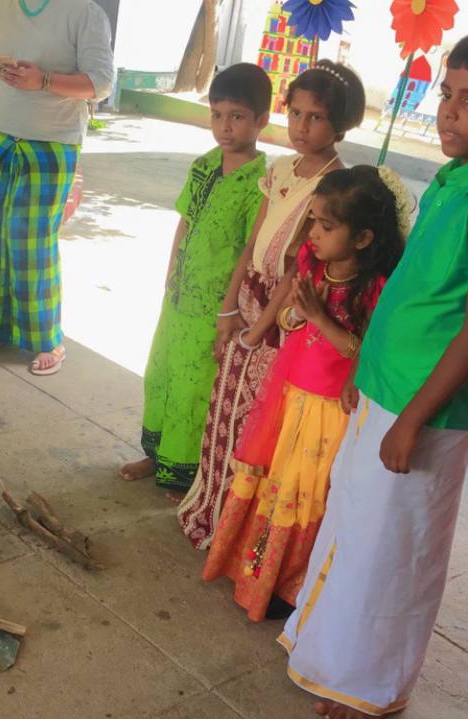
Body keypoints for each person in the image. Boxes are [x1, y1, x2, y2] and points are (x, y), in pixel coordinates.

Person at [280, 31, 468, 718]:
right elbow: (413, 294)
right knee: (356, 530)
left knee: (394, 553)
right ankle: (338, 663)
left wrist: (409, 419)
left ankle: (372, 689)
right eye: (447, 95)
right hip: (387, 387)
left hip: (425, 410)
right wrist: (368, 374)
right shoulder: (461, 178)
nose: (449, 113)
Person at [202, 166, 407, 622]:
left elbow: (362, 352)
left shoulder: (373, 288)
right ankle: (255, 571)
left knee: (304, 492)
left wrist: (319, 319)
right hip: (290, 396)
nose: (312, 233)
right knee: (276, 482)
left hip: (327, 411)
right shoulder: (315, 266)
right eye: (312, 220)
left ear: (363, 238)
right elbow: (290, 323)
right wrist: (297, 314)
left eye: (326, 226)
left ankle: (288, 583)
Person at [177, 59, 364, 548]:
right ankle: (210, 508)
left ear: (340, 125)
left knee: (255, 423)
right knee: (223, 408)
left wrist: (258, 329)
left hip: (280, 315)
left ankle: (235, 533)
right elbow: (254, 241)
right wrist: (229, 308)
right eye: (296, 113)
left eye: (316, 117)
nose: (302, 127)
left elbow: (298, 265)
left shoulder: (333, 183)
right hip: (246, 300)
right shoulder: (280, 169)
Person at [117, 63, 271, 492]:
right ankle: (157, 456)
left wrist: (228, 306)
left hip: (213, 307)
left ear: (261, 120)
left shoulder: (260, 182)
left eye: (237, 116)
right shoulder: (204, 166)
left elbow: (249, 250)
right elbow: (185, 221)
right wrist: (170, 275)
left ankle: (185, 475)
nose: (225, 127)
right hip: (179, 298)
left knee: (194, 389)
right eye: (217, 115)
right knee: (161, 374)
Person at [0, 0, 114, 376]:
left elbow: (100, 83)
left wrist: (45, 81)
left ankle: (47, 339)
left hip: (50, 144)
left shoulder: (84, 14)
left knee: (33, 244)